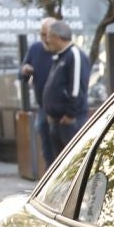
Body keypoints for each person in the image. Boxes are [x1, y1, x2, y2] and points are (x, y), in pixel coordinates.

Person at [39, 19, 92, 171]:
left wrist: (70, 114)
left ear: (56, 37)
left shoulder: (74, 55)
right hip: (56, 120)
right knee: (61, 166)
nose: (46, 40)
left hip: (69, 121)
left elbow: (76, 88)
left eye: (48, 36)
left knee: (73, 164)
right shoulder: (59, 56)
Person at [21, 18, 57, 166]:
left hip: (61, 106)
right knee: (43, 132)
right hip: (43, 105)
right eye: (41, 34)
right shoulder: (36, 48)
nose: (44, 39)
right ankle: (50, 172)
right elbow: (23, 71)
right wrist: (25, 70)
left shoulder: (63, 52)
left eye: (46, 35)